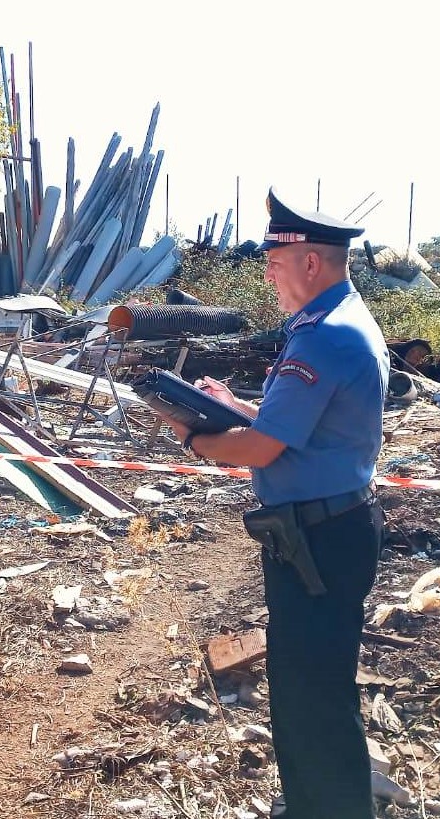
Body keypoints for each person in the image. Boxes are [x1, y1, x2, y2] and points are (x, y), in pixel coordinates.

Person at [166, 189, 389, 819]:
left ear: (310, 263)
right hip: (324, 530)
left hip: (319, 540)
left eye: (274, 255)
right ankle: (315, 804)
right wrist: (229, 406)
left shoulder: (324, 337)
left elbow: (263, 449)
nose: (266, 267)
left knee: (313, 690)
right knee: (305, 684)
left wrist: (193, 432)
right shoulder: (337, 322)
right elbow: (291, 426)